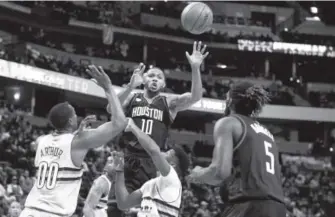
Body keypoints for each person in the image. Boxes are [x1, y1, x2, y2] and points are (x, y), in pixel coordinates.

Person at [19, 65, 128, 217]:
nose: (78, 116)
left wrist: (75, 134)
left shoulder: (41, 141)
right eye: (75, 114)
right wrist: (108, 87)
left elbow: (60, 147)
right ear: (71, 121)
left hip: (28, 211)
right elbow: (119, 123)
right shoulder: (77, 142)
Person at [109, 41, 208, 193]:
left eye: (159, 77)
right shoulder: (132, 98)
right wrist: (130, 87)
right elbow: (111, 108)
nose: (155, 79)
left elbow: (195, 97)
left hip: (153, 160)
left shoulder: (169, 103)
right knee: (118, 206)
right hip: (129, 156)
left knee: (146, 208)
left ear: (163, 85)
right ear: (143, 80)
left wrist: (195, 68)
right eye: (151, 76)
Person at [188, 82, 286, 217]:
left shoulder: (229, 123)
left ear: (229, 101)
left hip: (250, 206)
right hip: (278, 207)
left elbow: (219, 172)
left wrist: (195, 175)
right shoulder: (267, 134)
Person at [113, 118, 190, 217]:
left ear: (173, 164)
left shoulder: (173, 179)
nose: (162, 152)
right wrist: (119, 171)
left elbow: (154, 151)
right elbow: (123, 203)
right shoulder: (150, 184)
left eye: (167, 153)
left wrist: (133, 127)